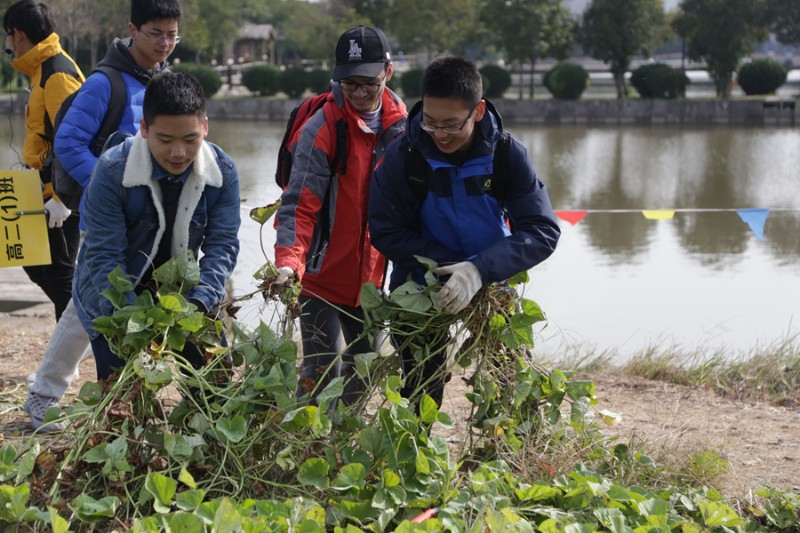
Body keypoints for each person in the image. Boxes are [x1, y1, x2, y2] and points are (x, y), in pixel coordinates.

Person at [24, 0, 182, 432]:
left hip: (153, 222)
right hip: (107, 216)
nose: (165, 43)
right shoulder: (104, 83)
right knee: (89, 304)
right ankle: (44, 396)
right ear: (133, 29)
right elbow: (70, 144)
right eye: (156, 33)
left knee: (91, 304)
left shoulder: (163, 81)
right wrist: (109, 187)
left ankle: (59, 393)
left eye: (172, 34)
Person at [368, 56, 561, 407]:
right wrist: (451, 266)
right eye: (430, 122)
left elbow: (542, 230)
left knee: (512, 390)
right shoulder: (403, 158)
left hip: (492, 284)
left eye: (452, 125)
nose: (440, 134)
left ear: (478, 111)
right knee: (420, 393)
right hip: (419, 286)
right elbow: (385, 231)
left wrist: (478, 270)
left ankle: (511, 457)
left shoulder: (506, 154)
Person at [72, 71, 240, 381]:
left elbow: (223, 247)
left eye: (191, 139)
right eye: (165, 139)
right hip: (115, 291)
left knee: (215, 391)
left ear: (205, 127)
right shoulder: (111, 171)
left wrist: (199, 302)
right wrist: (140, 320)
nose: (179, 152)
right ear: (145, 129)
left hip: (184, 292)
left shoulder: (223, 172)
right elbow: (104, 258)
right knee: (124, 404)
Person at [273, 25, 407, 405]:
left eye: (369, 83)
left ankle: (341, 442)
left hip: (370, 281)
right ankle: (307, 447)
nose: (360, 94)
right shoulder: (322, 129)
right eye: (350, 85)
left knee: (367, 366)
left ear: (388, 72)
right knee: (321, 371)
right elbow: (299, 204)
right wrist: (288, 264)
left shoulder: (405, 129)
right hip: (319, 278)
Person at [3, 0, 84, 323]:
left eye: (8, 36)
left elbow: (74, 140)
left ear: (18, 35)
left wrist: (63, 197)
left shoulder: (57, 75)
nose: (8, 44)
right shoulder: (41, 70)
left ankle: (68, 357)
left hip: (58, 198)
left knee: (61, 278)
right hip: (39, 189)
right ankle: (79, 333)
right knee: (35, 265)